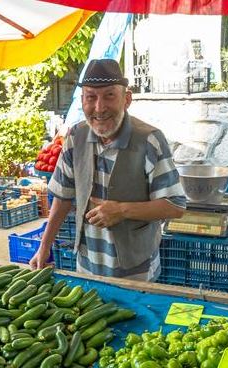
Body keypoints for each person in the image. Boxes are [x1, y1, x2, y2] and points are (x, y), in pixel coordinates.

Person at [30, 59, 186, 281]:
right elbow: (63, 196)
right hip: (86, 263)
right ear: (82, 100)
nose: (99, 108)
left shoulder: (149, 140)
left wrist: (122, 210)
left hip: (136, 269)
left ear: (127, 99)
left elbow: (175, 206)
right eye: (91, 97)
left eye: (109, 96)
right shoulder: (76, 137)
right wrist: (44, 246)